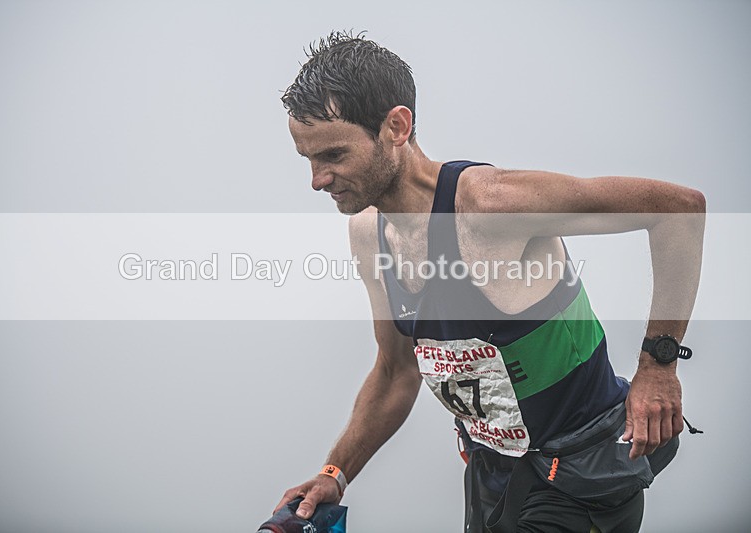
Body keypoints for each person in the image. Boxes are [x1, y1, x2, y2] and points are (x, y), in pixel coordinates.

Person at [274, 31, 705, 532]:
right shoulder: (370, 234)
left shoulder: (490, 206)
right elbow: (395, 372)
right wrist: (336, 473)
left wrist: (658, 366)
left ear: (396, 126)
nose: (317, 179)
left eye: (333, 155)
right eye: (308, 159)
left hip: (583, 479)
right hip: (493, 481)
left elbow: (679, 210)